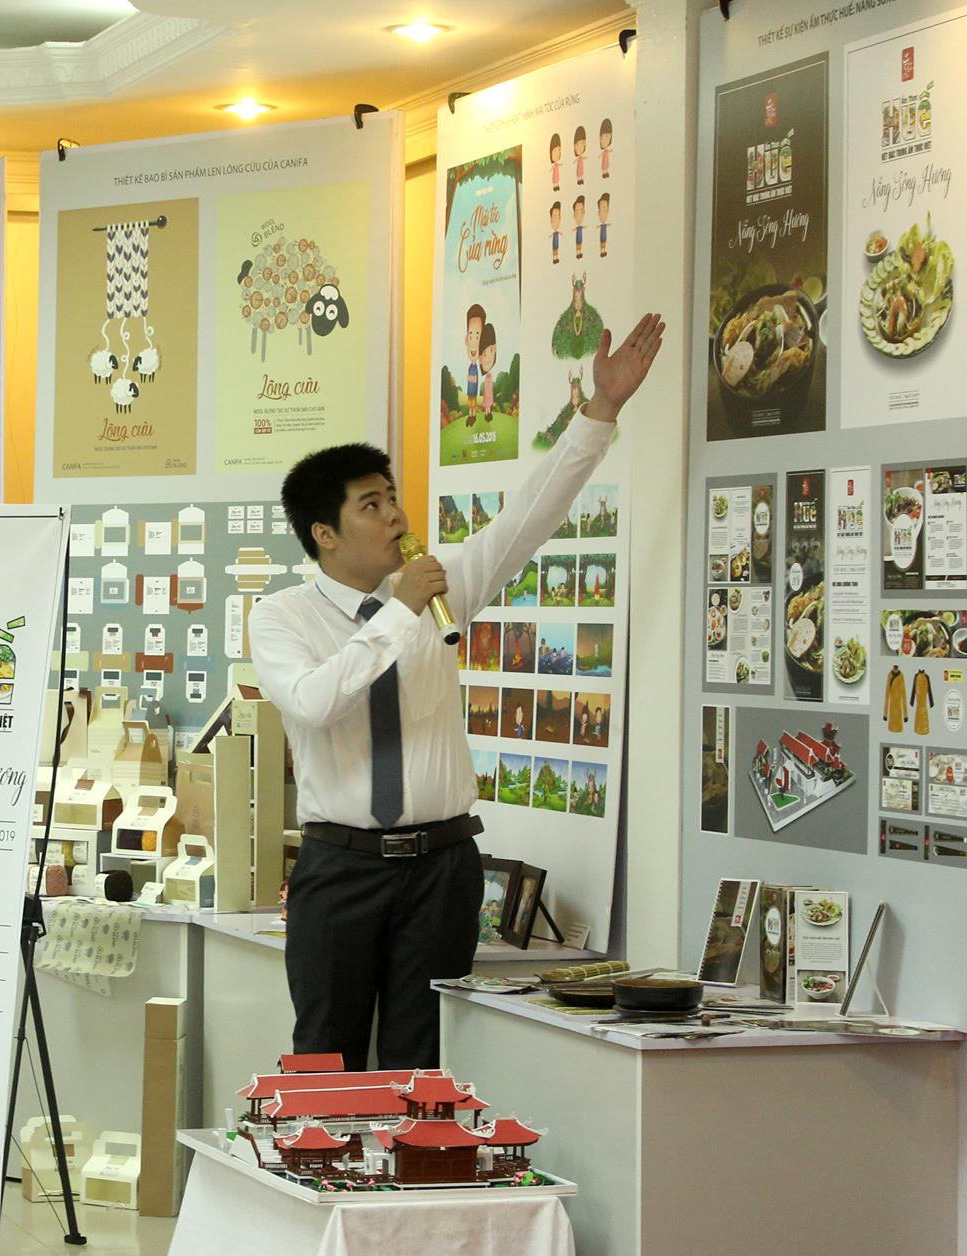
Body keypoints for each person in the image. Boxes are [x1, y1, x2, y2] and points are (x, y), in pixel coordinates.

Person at [250, 312, 666, 1071]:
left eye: (392, 497)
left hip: (441, 867)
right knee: (326, 1056)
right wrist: (399, 611)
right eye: (370, 505)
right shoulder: (283, 617)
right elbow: (313, 702)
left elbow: (527, 518)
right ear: (324, 535)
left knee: (424, 1061)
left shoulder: (440, 587)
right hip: (340, 867)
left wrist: (601, 408)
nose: (396, 516)